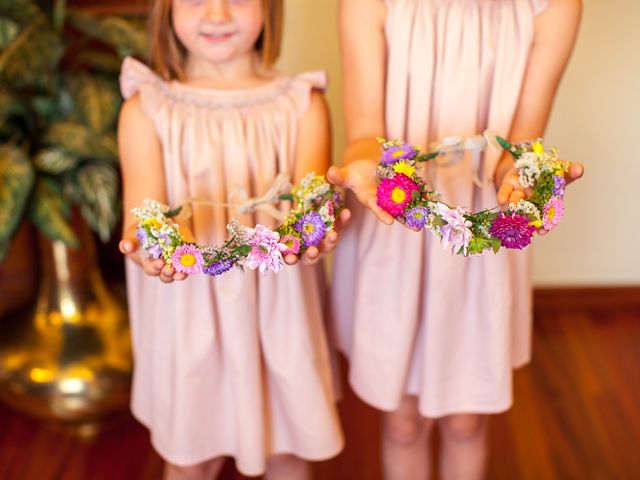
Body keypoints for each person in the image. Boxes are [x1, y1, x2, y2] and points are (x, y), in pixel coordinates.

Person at [327, 0, 583, 478]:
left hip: (480, 241)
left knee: (467, 423)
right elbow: (366, 133)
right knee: (402, 422)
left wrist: (526, 175)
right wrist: (366, 163)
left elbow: (521, 144)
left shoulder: (552, 9)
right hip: (396, 232)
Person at [117, 1, 347, 478]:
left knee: (287, 447)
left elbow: (309, 205)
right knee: (190, 457)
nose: (217, 13)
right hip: (189, 313)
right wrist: (152, 249)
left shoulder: (302, 104)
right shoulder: (147, 108)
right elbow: (141, 216)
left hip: (277, 311)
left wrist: (313, 234)